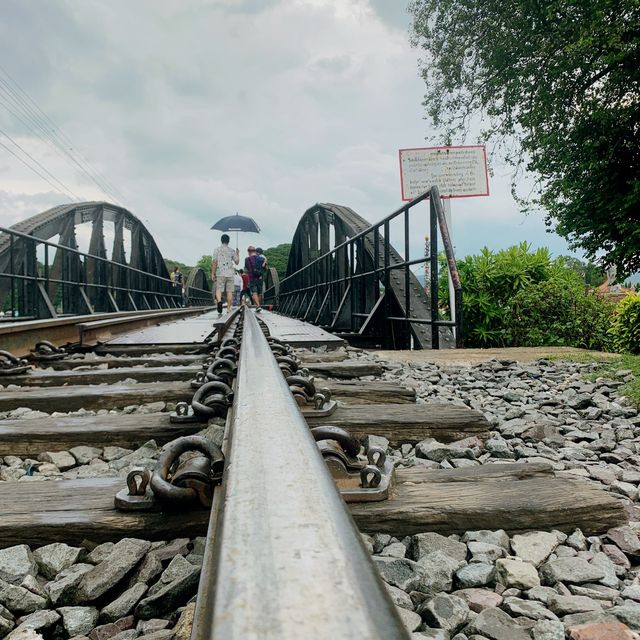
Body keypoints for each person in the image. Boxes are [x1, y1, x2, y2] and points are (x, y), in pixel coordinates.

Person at [212, 234, 239, 314]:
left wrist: (213, 273)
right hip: (230, 273)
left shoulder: (217, 250)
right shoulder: (231, 250)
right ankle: (228, 308)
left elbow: (214, 262)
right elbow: (237, 262)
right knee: (229, 291)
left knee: (219, 289)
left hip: (220, 272)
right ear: (228, 241)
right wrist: (237, 253)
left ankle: (219, 301)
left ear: (221, 240)